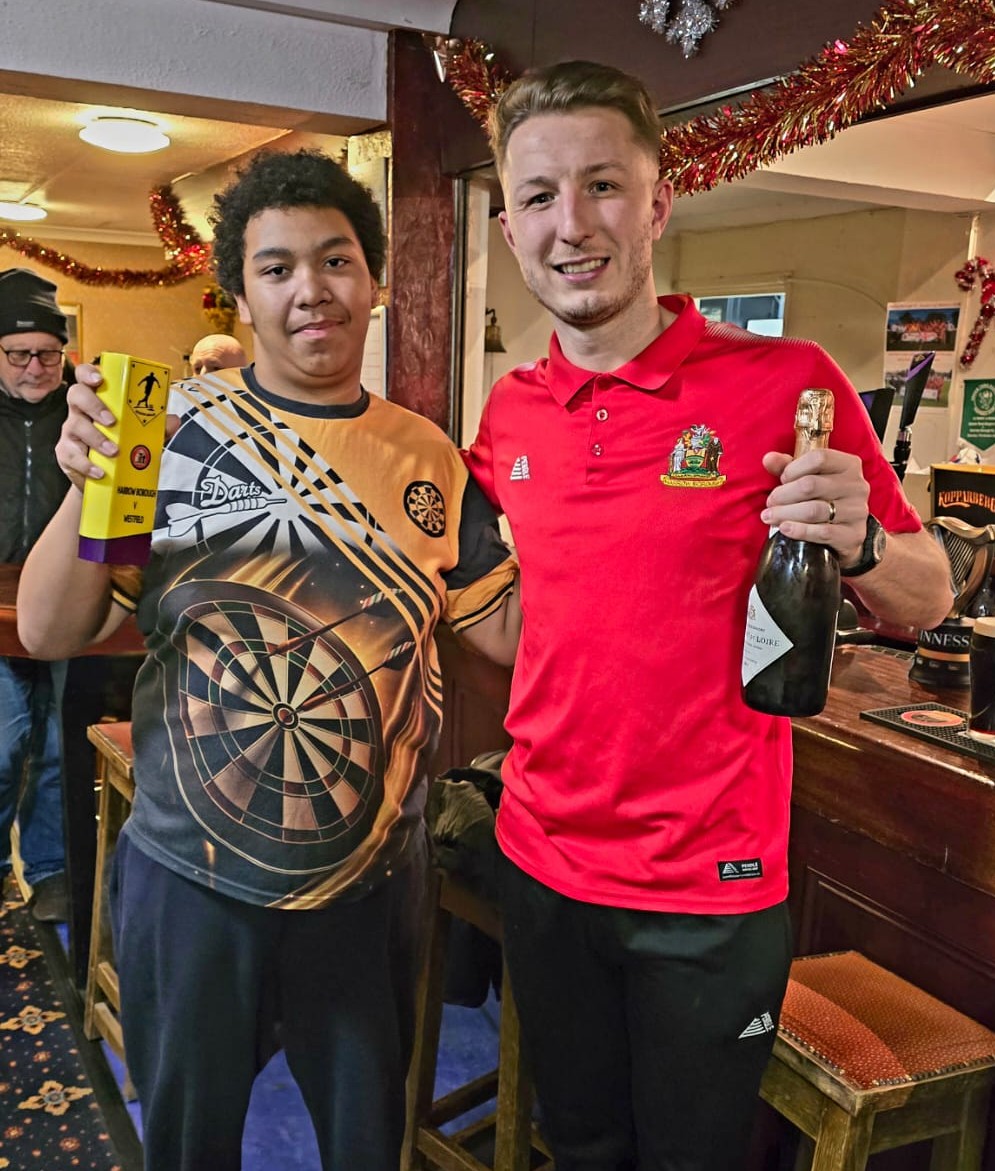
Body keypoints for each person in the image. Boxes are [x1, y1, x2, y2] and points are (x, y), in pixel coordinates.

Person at [464, 61, 953, 1171]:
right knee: (577, 1142)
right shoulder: (509, 410)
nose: (570, 223)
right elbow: (512, 613)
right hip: (538, 856)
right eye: (539, 196)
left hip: (708, 883)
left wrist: (862, 540)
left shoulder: (789, 383)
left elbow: (924, 599)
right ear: (509, 225)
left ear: (655, 202)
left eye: (601, 186)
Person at [17, 148, 520, 1171]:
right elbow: (49, 629)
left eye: (335, 262)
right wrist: (85, 478)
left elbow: (508, 636)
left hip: (373, 881)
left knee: (364, 1145)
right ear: (241, 294)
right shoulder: (163, 430)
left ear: (372, 281)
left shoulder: (427, 453)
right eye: (277, 267)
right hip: (192, 883)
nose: (310, 291)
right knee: (188, 1145)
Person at [0, 268, 71, 923]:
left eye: (48, 352)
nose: (34, 366)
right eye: (18, 353)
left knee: (54, 745)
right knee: (4, 740)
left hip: (70, 598)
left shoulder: (84, 409)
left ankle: (50, 869)